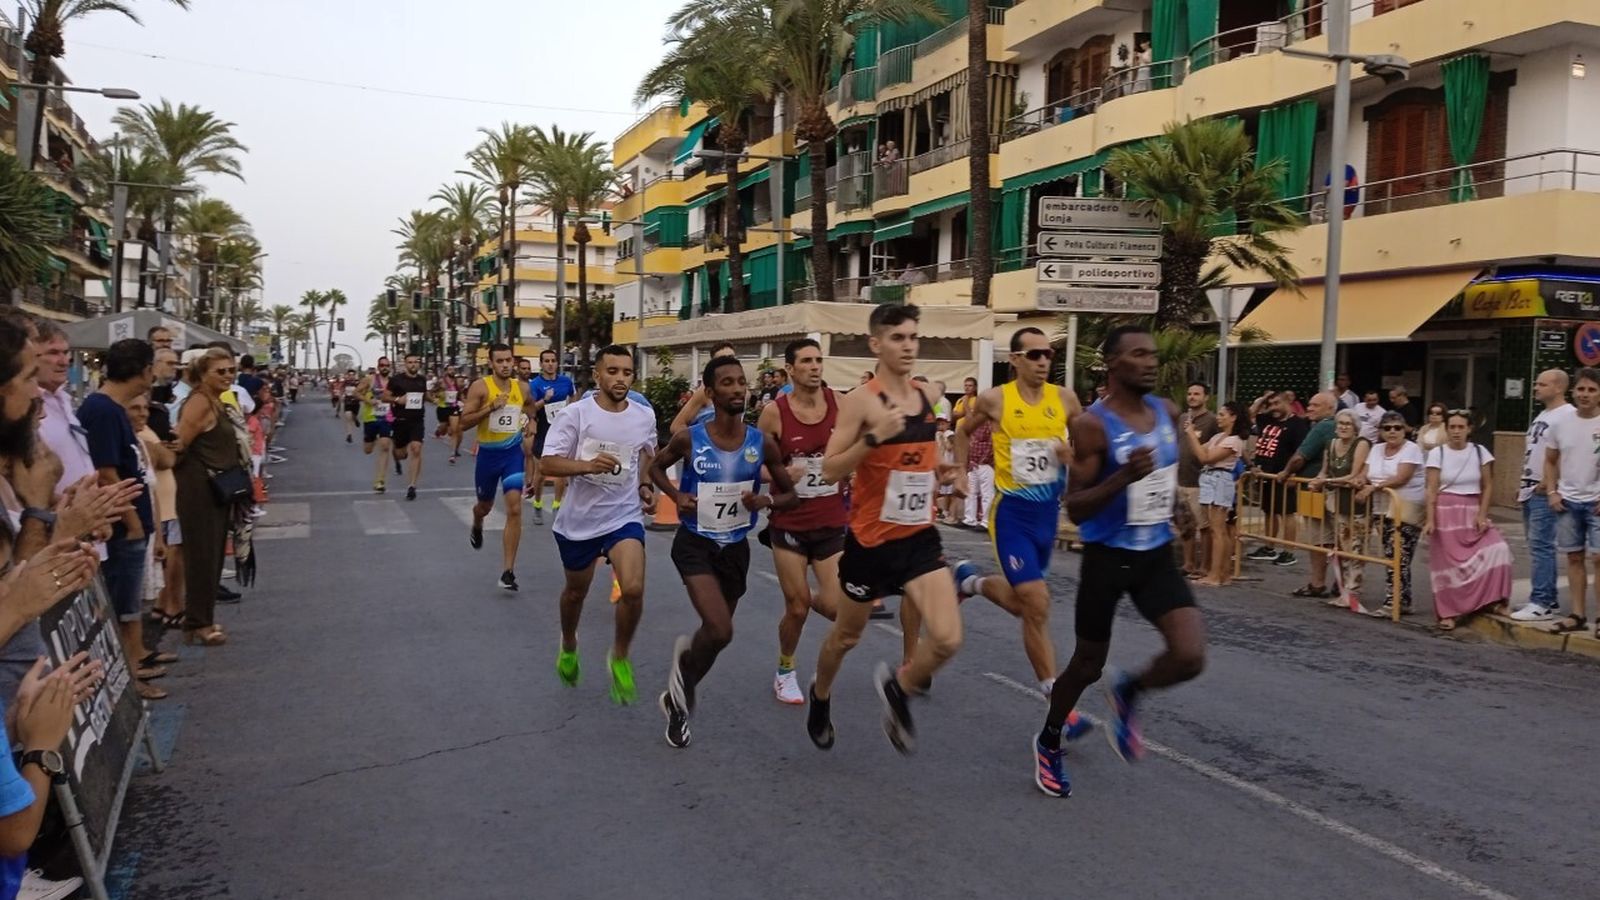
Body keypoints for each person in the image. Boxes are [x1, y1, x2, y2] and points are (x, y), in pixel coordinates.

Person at [1034, 325, 1205, 798]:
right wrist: (1123, 477)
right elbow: (1077, 505)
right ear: (1113, 365)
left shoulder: (1166, 411)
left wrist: (1178, 507)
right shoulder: (1093, 425)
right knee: (1086, 666)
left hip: (1154, 554)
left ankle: (1130, 689)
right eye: (1138, 355)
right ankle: (1049, 739)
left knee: (1190, 656)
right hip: (1107, 558)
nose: (1150, 362)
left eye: (1152, 354)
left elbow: (1164, 473)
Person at [808, 304, 964, 755]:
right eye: (898, 337)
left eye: (914, 337)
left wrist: (942, 472)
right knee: (847, 636)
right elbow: (831, 470)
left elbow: (918, 457)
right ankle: (820, 697)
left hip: (918, 537)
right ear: (876, 344)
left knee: (949, 638)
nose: (909, 345)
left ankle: (900, 688)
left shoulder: (928, 392)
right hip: (870, 542)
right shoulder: (860, 402)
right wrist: (872, 439)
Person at [651, 356, 796, 746]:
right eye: (727, 383)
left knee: (718, 637)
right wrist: (676, 495)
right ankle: (683, 695)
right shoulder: (690, 438)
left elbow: (790, 495)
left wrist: (765, 504)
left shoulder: (760, 442)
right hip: (695, 544)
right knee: (719, 627)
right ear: (711, 393)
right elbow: (655, 468)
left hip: (735, 548)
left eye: (741, 382)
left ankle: (678, 691)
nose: (737, 389)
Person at [950, 326, 1083, 694]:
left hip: (1047, 518)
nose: (1043, 361)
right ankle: (1054, 696)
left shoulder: (1066, 400)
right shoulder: (996, 399)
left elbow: (1090, 444)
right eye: (1034, 355)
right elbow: (961, 431)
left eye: (1048, 354)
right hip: (1011, 515)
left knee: (1029, 606)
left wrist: (1075, 456)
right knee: (1037, 603)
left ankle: (970, 581)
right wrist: (960, 472)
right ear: (1015, 360)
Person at [539, 345, 657, 704]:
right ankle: (569, 642)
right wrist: (588, 466)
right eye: (613, 371)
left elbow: (646, 455)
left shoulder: (643, 416)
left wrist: (645, 485)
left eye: (626, 372)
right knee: (576, 592)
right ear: (597, 375)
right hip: (579, 522)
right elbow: (548, 463)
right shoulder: (576, 415)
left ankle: (619, 656)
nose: (620, 379)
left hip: (623, 516)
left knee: (633, 588)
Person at [755, 340, 845, 705]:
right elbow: (754, 465)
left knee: (839, 607)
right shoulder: (774, 413)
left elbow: (857, 449)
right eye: (806, 361)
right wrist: (780, 475)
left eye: (819, 360)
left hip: (831, 519)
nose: (814, 366)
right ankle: (785, 669)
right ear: (790, 370)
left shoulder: (842, 405)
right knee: (796, 607)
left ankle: (808, 599)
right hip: (790, 521)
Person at [77, 339, 162, 699]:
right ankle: (127, 685)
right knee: (122, 611)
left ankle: (133, 674)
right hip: (122, 530)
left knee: (129, 609)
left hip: (129, 526)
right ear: (143, 370)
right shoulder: (104, 411)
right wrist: (132, 522)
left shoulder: (110, 408)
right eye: (152, 367)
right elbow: (107, 471)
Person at [173, 348, 249, 646]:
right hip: (199, 490)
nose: (228, 376)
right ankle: (198, 624)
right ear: (202, 374)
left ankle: (201, 619)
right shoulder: (199, 403)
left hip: (217, 490)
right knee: (202, 557)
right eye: (221, 371)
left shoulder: (217, 401)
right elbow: (180, 444)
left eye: (231, 370)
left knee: (214, 555)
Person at [456, 344, 538, 589]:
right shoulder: (481, 387)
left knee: (514, 509)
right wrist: (490, 407)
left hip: (512, 455)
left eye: (508, 360)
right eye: (499, 361)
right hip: (488, 458)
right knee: (485, 506)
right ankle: (477, 520)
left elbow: (531, 405)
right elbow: (463, 423)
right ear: (491, 363)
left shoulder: (522, 388)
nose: (505, 365)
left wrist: (531, 421)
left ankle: (508, 571)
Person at [1423, 410, 1511, 630]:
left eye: (1460, 427)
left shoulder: (1480, 452)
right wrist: (1430, 519)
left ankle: (1493, 600)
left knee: (1498, 548)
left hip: (1471, 509)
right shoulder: (1437, 454)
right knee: (1449, 566)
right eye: (1452, 427)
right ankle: (1448, 613)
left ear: (1469, 429)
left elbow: (1488, 485)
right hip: (1445, 512)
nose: (1456, 431)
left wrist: (1482, 514)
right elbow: (1431, 488)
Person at [1510, 370, 1573, 622]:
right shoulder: (1544, 414)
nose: (1535, 387)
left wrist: (1549, 484)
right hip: (1530, 487)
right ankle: (1546, 597)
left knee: (1542, 545)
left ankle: (1542, 602)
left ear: (1558, 387)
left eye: (1542, 384)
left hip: (1544, 491)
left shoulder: (1567, 415)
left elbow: (1565, 453)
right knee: (1536, 545)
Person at [1543, 367, 1600, 637]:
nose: (1585, 394)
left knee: (1599, 559)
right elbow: (1550, 460)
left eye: (1591, 389)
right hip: (1568, 502)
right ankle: (1577, 614)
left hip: (1597, 503)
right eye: (1581, 389)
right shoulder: (1560, 423)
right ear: (1573, 391)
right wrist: (1553, 492)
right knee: (1574, 558)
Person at [1356, 411, 1425, 616]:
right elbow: (1365, 472)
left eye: (1397, 427)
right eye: (1387, 428)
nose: (1392, 432)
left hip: (1406, 506)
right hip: (1383, 508)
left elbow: (1401, 477)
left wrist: (1373, 488)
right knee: (1391, 554)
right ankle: (1402, 599)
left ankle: (1394, 600)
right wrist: (1361, 480)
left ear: (1405, 430)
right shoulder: (1376, 449)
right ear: (1380, 431)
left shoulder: (1411, 449)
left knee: (1399, 554)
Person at [1275, 391, 1337, 598]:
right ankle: (1340, 583)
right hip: (1329, 490)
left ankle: (1317, 583)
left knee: (1317, 538)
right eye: (1309, 404)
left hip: (1315, 491)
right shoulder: (1334, 426)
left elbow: (1300, 456)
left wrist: (1285, 473)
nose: (1309, 408)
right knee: (1336, 538)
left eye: (1315, 405)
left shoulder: (1322, 428)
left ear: (1330, 408)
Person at [1307, 410, 1372, 606]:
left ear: (1355, 428)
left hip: (1354, 503)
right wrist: (1317, 479)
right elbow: (1324, 470)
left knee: (1355, 547)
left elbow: (1353, 475)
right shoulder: (1331, 443)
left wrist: (1325, 481)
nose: (1343, 427)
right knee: (1341, 547)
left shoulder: (1361, 444)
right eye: (1341, 423)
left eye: (1348, 424)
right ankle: (1344, 591)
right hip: (1334, 501)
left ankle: (1353, 592)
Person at [1186, 401, 1249, 586]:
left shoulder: (1233, 440)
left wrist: (1191, 434)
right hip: (1211, 479)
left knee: (1218, 530)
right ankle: (1223, 573)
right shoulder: (1219, 437)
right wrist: (1192, 437)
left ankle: (1216, 575)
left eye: (1222, 414)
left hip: (1220, 480)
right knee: (1218, 529)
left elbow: (1205, 457)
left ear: (1233, 417)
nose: (1219, 418)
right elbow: (1199, 451)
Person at [1245, 392, 1307, 567]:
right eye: (1270, 404)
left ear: (1288, 402)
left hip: (1284, 475)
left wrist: (1293, 473)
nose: (1273, 408)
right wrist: (1262, 400)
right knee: (1269, 511)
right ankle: (1269, 547)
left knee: (1286, 512)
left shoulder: (1298, 424)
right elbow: (1250, 415)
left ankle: (1289, 551)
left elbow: (1300, 451)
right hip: (1266, 473)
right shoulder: (1267, 419)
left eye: (1277, 403)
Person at [527, 349, 577, 525]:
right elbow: (530, 409)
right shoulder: (535, 384)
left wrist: (572, 411)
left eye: (553, 360)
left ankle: (557, 506)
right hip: (543, 431)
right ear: (541, 364)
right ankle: (538, 504)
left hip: (562, 432)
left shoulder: (566, 381)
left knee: (561, 472)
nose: (550, 364)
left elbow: (574, 399)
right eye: (546, 361)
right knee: (540, 472)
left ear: (557, 363)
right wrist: (545, 400)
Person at [1176, 382, 1218, 577]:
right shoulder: (1183, 418)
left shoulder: (1212, 421)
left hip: (1200, 480)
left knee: (1204, 526)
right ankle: (1188, 563)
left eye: (1197, 394)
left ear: (1206, 397)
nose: (1192, 397)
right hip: (1180, 479)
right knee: (1186, 524)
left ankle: (1205, 566)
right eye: (1190, 393)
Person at [381, 353, 429, 501]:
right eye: (410, 362)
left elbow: (425, 395)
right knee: (401, 454)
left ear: (419, 364)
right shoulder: (396, 380)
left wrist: (435, 397)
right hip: (400, 421)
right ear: (405, 364)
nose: (413, 365)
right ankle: (397, 455)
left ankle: (412, 486)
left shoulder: (422, 380)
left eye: (416, 362)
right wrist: (397, 400)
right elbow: (384, 397)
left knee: (416, 448)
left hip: (417, 421)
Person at [669, 342, 738, 434]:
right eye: (721, 360)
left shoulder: (743, 392)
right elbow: (676, 426)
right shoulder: (706, 391)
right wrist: (699, 442)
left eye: (731, 358)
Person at [358, 360, 394, 492]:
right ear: (378, 367)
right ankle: (370, 440)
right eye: (382, 366)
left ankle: (380, 480)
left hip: (387, 418)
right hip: (371, 418)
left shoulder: (393, 382)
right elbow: (356, 393)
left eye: (387, 366)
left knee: (385, 446)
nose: (385, 368)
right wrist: (369, 401)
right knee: (368, 450)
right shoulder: (369, 380)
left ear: (390, 367)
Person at [960, 417, 996, 528]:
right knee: (970, 492)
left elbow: (992, 443)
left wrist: (983, 460)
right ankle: (970, 519)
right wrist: (970, 461)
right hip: (973, 463)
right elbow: (970, 442)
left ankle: (986, 522)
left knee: (987, 494)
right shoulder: (974, 423)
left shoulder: (990, 424)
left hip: (986, 464)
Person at [434, 365, 464, 463]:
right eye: (450, 369)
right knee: (443, 430)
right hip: (442, 408)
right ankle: (439, 430)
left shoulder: (456, 382)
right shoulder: (441, 382)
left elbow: (460, 394)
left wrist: (465, 402)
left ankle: (452, 454)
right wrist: (436, 397)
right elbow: (432, 392)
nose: (452, 371)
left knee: (455, 430)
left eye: (453, 370)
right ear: (446, 371)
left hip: (453, 408)